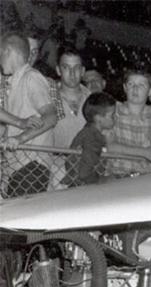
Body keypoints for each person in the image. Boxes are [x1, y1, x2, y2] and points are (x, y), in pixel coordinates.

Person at [0, 33, 58, 197]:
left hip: (32, 165)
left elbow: (51, 117)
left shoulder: (31, 78)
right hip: (18, 166)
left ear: (8, 51)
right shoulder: (14, 83)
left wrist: (19, 139)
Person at [105, 68, 151, 177]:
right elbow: (108, 145)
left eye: (141, 85)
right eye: (131, 84)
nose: (135, 89)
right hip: (117, 176)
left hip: (145, 179)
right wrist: (145, 152)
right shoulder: (113, 111)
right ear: (125, 88)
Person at [66, 92, 116, 186]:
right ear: (99, 119)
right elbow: (84, 172)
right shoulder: (93, 137)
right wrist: (102, 180)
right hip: (82, 187)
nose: (115, 118)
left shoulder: (88, 132)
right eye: (112, 115)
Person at [52, 48, 89, 149]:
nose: (72, 73)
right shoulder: (47, 98)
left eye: (76, 68)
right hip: (55, 162)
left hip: (87, 163)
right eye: (66, 67)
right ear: (58, 70)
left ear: (82, 71)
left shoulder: (93, 100)